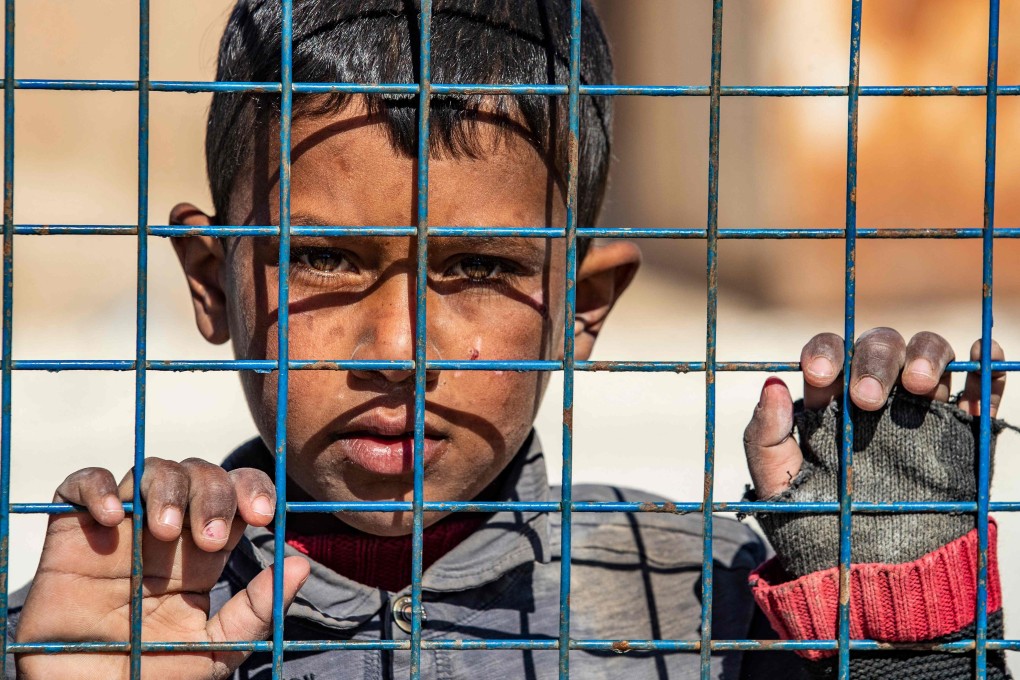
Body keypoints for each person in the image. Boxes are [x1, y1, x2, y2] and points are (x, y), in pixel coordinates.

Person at [6, 1, 1012, 678]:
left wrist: (904, 631)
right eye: (321, 257)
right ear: (211, 280)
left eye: (479, 268)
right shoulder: (102, 616)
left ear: (583, 304)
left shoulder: (713, 603)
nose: (399, 350)